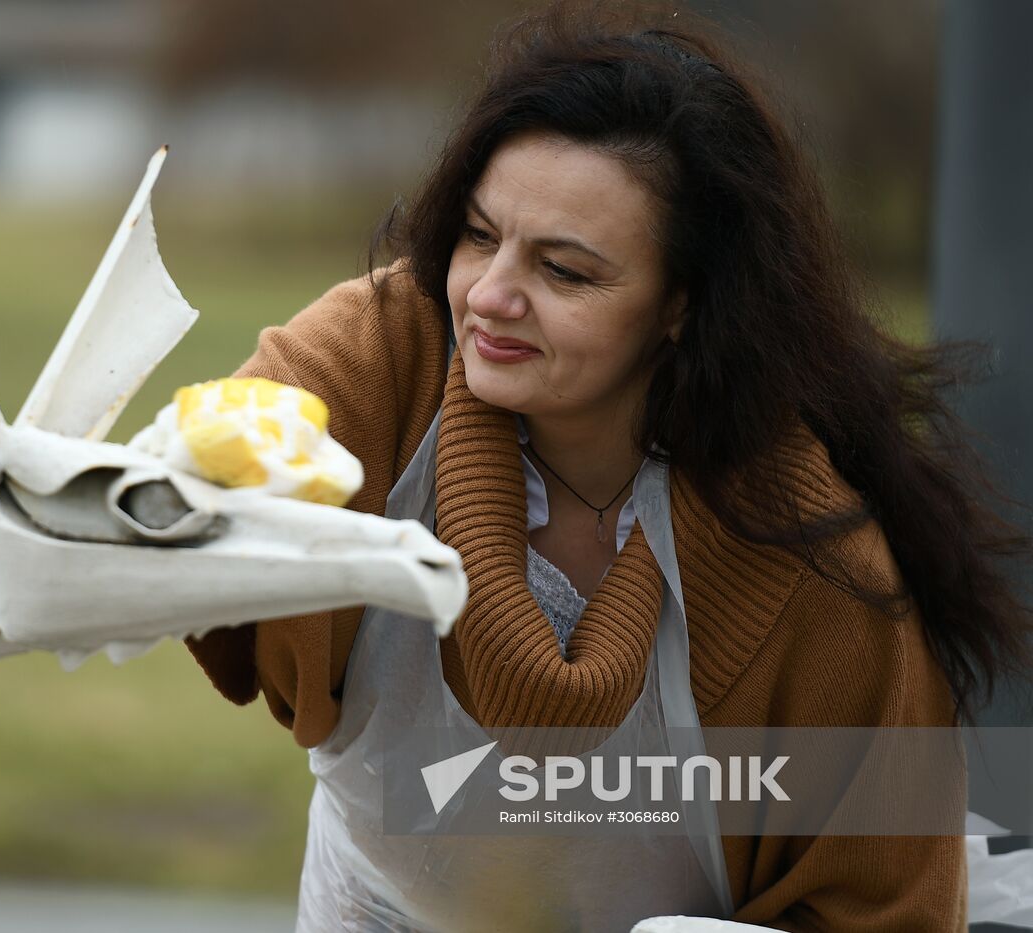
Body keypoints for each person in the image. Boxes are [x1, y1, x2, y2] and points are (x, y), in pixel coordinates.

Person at [183, 3, 1033, 930]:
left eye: (566, 272)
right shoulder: (384, 354)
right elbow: (203, 475)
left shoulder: (817, 568)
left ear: (681, 306)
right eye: (479, 235)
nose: (492, 296)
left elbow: (891, 905)